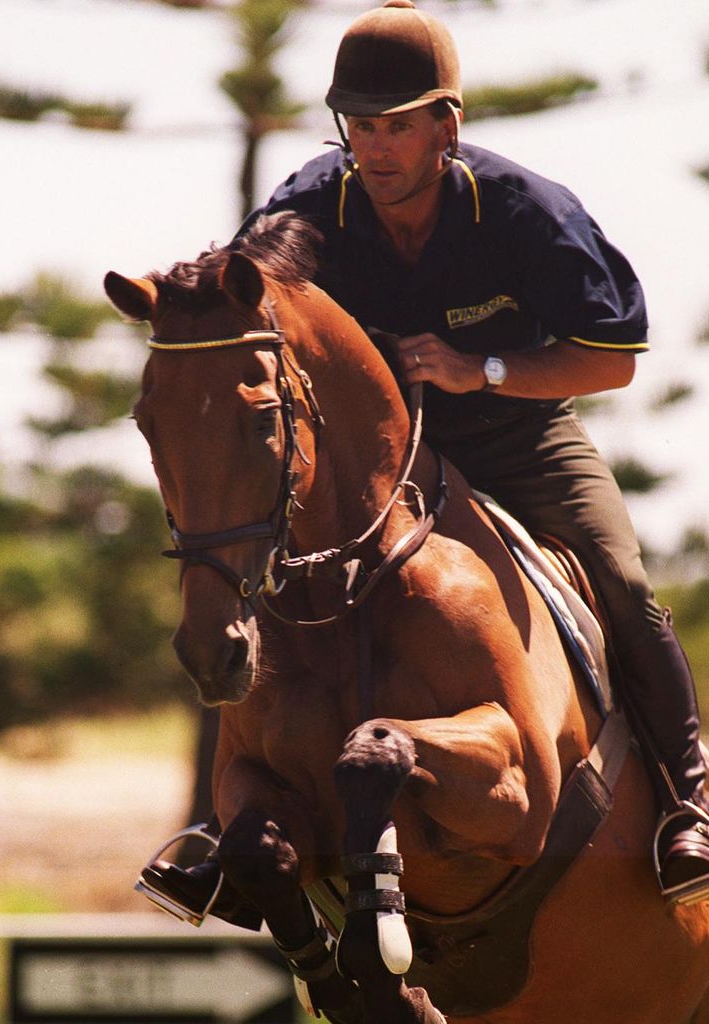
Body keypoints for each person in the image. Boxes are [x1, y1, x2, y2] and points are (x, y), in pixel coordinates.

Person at [240, 0, 709, 899]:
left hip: (517, 440)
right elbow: (246, 296)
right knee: (253, 577)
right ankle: (234, 809)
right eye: (360, 127)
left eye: (398, 128)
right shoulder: (312, 202)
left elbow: (609, 362)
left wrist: (478, 368)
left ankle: (689, 799)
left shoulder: (525, 210)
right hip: (378, 464)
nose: (375, 149)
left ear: (446, 123)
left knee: (623, 577)